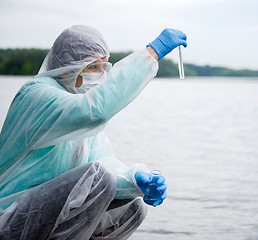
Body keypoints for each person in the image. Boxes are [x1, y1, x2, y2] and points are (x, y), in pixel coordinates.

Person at [0, 25, 187, 240]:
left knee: (133, 207)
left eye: (104, 66)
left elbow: (101, 158)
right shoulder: (36, 96)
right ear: (66, 67)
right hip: (9, 218)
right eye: (93, 67)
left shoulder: (76, 104)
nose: (102, 74)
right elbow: (93, 111)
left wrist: (134, 179)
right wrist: (151, 53)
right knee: (99, 176)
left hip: (43, 218)